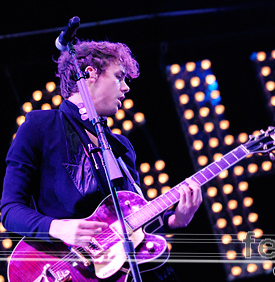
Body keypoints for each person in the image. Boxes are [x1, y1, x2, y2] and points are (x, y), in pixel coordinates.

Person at [1, 40, 203, 281]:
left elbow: (131, 222)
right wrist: (59, 228)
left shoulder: (122, 147)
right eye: (119, 77)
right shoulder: (40, 126)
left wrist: (176, 219)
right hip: (64, 270)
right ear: (90, 74)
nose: (126, 88)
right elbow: (10, 210)